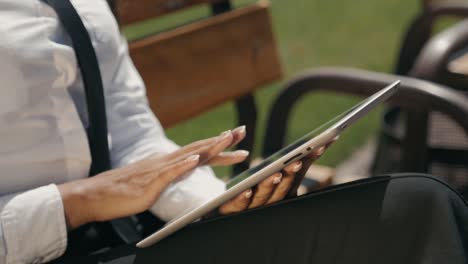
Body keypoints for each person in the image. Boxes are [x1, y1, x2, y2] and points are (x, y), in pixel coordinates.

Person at [0, 0, 466, 263]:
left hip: (133, 235)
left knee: (414, 206)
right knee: (413, 212)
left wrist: (212, 203)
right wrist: (80, 201)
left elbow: (131, 134)